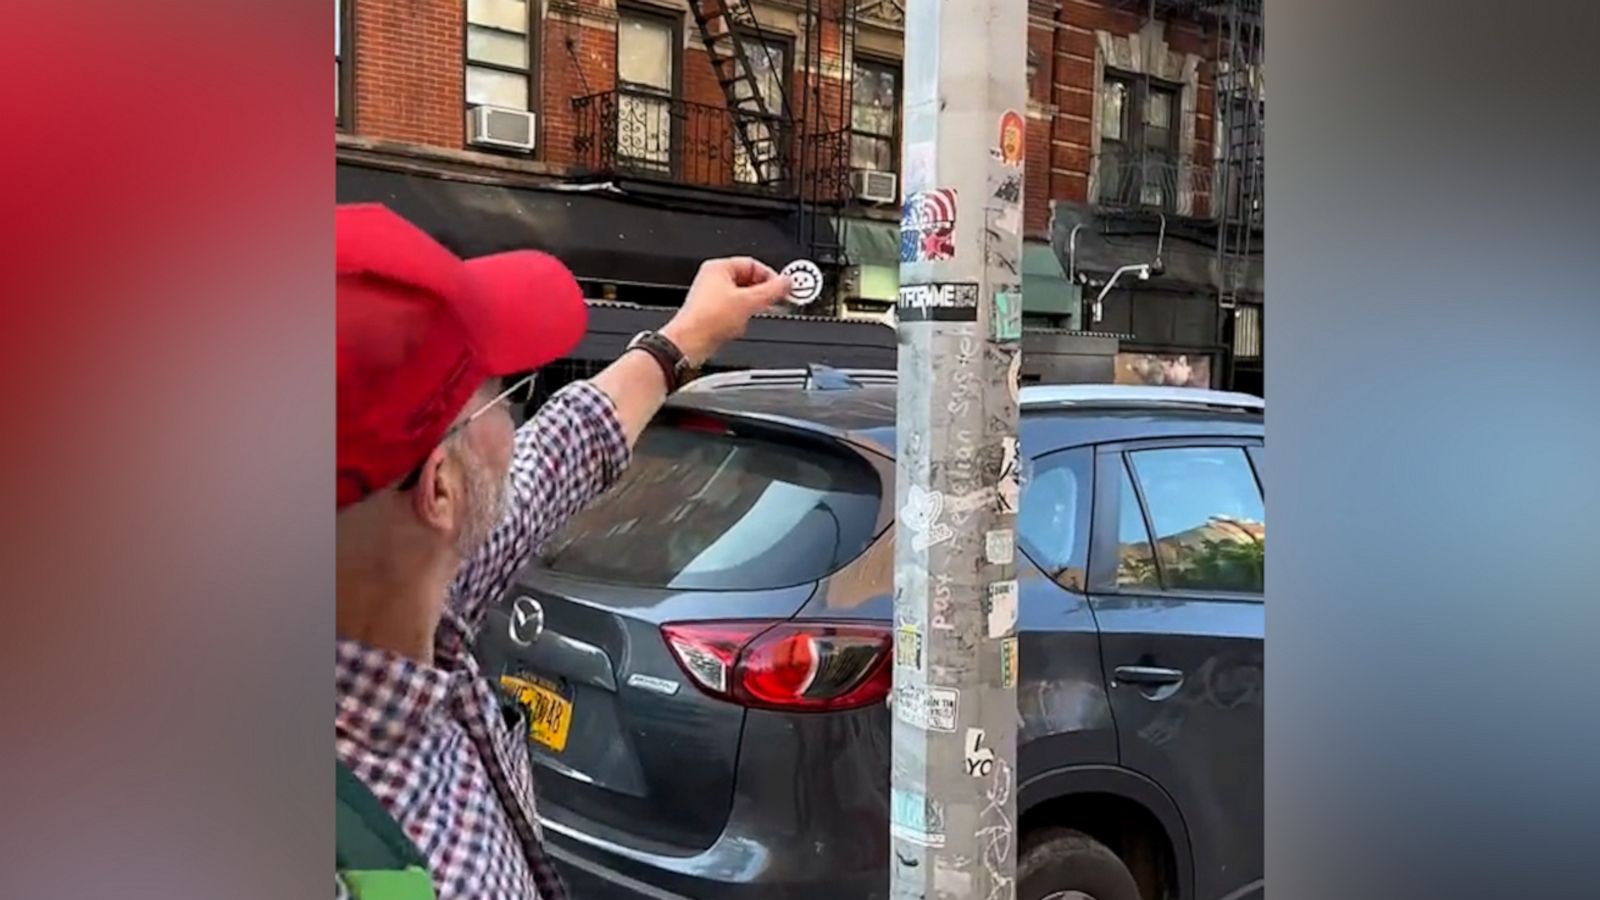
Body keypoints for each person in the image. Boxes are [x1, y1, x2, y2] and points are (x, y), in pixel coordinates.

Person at [333, 203, 790, 900]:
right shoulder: (385, 864)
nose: (518, 424)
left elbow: (563, 451)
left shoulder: (402, 592)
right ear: (442, 489)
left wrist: (682, 341)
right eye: (502, 395)